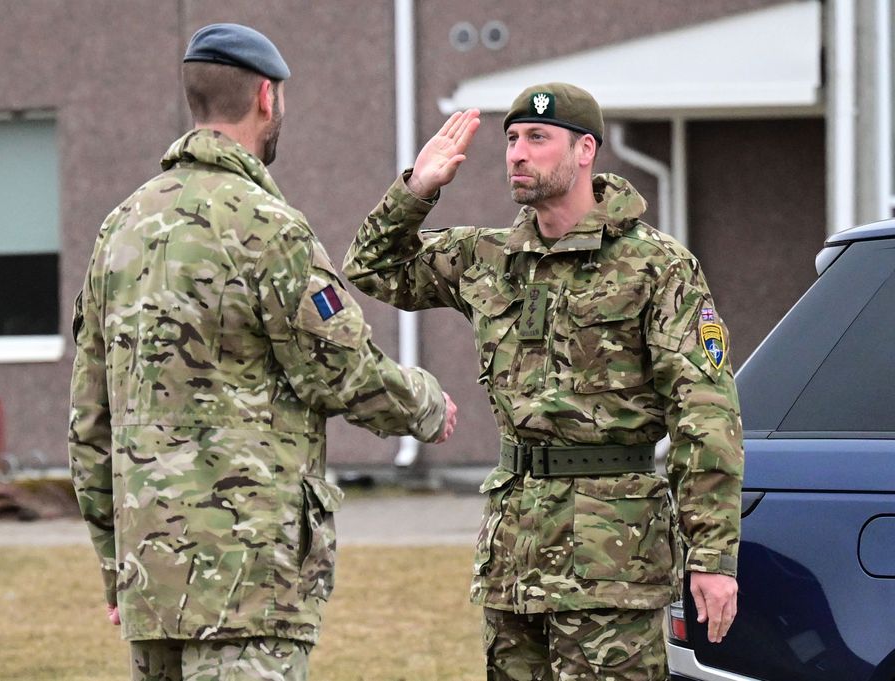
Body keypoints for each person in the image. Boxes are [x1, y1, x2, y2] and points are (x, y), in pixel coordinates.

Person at [68, 23, 456, 681]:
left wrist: (117, 567)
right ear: (267, 97)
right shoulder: (268, 228)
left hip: (152, 584)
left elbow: (88, 427)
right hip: (249, 581)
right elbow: (341, 369)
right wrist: (423, 402)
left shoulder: (120, 229)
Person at [342, 82, 743, 680]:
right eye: (510, 140)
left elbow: (705, 411)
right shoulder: (489, 256)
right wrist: (417, 189)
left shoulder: (655, 265)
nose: (517, 154)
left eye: (537, 138)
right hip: (516, 552)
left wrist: (711, 555)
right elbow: (369, 267)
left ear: (586, 150)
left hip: (613, 559)